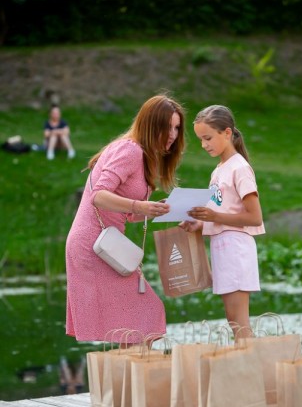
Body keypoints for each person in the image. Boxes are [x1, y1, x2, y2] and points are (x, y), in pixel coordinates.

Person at [66, 94, 185, 344]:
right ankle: (130, 380)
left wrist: (155, 209)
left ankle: (126, 380)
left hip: (107, 244)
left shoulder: (144, 157)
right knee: (146, 314)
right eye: (168, 127)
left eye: (177, 127)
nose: (173, 134)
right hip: (94, 246)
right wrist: (139, 204)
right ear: (151, 125)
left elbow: (127, 214)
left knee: (133, 325)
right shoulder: (130, 150)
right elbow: (98, 195)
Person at [180, 105, 265, 339]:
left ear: (227, 133)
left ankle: (248, 370)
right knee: (232, 319)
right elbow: (222, 212)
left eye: (208, 138)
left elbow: (254, 217)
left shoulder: (240, 168)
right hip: (222, 248)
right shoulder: (218, 171)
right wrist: (199, 223)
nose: (204, 145)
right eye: (200, 140)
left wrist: (214, 217)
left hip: (236, 248)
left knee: (238, 321)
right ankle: (245, 369)